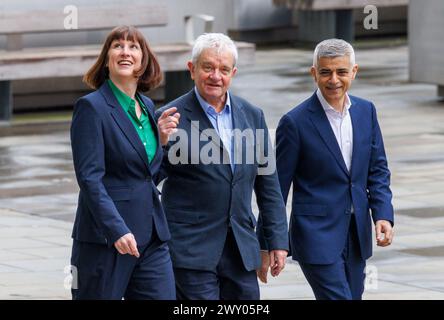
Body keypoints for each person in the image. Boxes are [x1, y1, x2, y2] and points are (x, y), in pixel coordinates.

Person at [155, 33, 289, 300]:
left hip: (240, 250)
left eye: (223, 69)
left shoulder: (252, 115)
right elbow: (147, 178)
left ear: (233, 73)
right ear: (192, 69)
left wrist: (276, 241)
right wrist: (159, 143)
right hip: (191, 251)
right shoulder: (168, 117)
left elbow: (268, 184)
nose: (215, 76)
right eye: (208, 67)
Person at [275, 38, 394, 300]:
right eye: (326, 72)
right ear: (314, 73)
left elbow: (378, 170)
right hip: (315, 236)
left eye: (341, 71)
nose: (334, 80)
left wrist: (382, 214)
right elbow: (276, 188)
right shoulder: (294, 123)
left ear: (354, 72)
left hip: (356, 234)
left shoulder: (366, 111)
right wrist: (272, 242)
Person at [69, 25, 175, 300]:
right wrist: (116, 229)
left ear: (144, 59)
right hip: (107, 239)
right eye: (117, 46)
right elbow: (90, 179)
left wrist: (161, 142)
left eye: (133, 47)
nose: (125, 52)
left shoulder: (148, 107)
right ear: (106, 59)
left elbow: (146, 175)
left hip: (151, 237)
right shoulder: (92, 108)